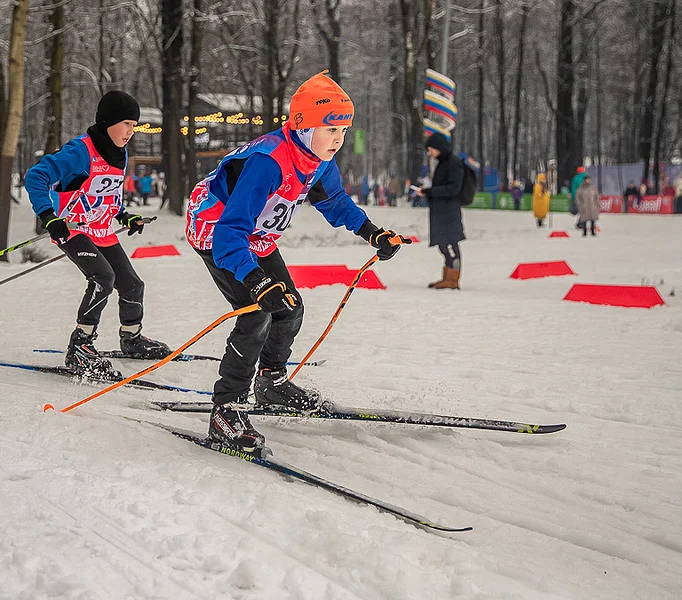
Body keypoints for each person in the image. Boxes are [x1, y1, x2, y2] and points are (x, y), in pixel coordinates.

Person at [185, 71, 409, 455]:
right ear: (303, 126)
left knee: (289, 308)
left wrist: (372, 232)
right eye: (331, 129)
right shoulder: (269, 161)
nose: (338, 139)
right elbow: (229, 233)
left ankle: (270, 383)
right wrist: (255, 280)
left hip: (256, 236)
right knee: (256, 313)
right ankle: (225, 412)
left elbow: (335, 202)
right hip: (217, 230)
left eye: (344, 130)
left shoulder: (318, 158)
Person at [25, 90, 171, 377]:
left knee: (132, 285)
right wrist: (48, 217)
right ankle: (80, 345)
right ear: (108, 122)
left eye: (134, 125)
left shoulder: (120, 153)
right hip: (72, 228)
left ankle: (132, 338)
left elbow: (108, 192)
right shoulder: (80, 151)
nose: (131, 131)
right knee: (103, 278)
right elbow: (36, 176)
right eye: (126, 123)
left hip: (100, 229)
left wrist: (124, 216)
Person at [418, 132, 465, 290]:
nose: (429, 153)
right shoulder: (443, 163)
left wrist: (431, 191)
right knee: (443, 245)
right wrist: (427, 191)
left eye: (431, 149)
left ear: (439, 148)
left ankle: (453, 279)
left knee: (450, 245)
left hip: (449, 213)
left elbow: (454, 188)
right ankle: (447, 277)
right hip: (441, 212)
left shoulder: (453, 163)